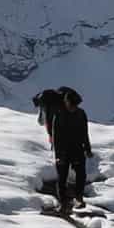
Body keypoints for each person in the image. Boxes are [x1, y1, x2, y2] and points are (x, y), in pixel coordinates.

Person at [32, 86, 93, 217]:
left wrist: (87, 149)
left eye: (75, 105)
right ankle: (64, 204)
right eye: (72, 105)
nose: (74, 108)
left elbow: (84, 132)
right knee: (62, 178)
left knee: (80, 174)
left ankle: (78, 198)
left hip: (77, 148)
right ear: (66, 103)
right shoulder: (59, 115)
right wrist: (59, 155)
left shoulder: (80, 114)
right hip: (63, 150)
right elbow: (56, 136)